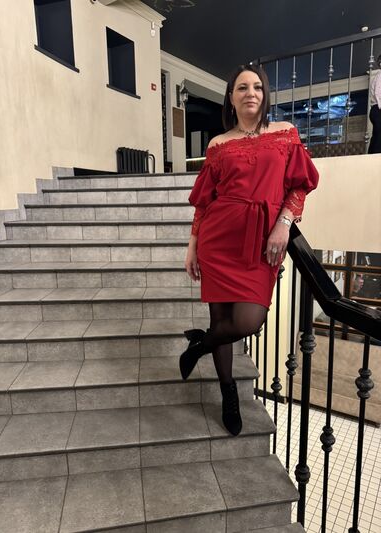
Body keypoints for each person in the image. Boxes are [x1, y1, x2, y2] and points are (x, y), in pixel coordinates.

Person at [179, 64, 319, 436]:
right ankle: (228, 393)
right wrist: (193, 245)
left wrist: (284, 223)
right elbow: (204, 202)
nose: (251, 93)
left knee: (248, 321)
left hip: (261, 240)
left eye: (257, 86)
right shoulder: (217, 144)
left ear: (265, 94)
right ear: (231, 97)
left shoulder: (285, 133)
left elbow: (300, 185)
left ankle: (199, 346)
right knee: (220, 318)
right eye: (242, 87)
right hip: (218, 239)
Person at [368, 54, 381, 154]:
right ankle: (375, 155)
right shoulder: (380, 75)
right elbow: (377, 92)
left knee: (377, 133)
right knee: (379, 132)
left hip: (376, 108)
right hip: (377, 108)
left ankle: (372, 155)